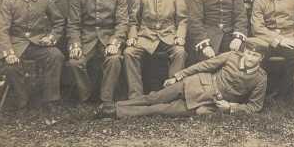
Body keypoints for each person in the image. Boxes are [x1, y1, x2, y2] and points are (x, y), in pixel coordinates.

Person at [96, 37, 269, 119]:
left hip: (207, 103)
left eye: (255, 55)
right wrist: (178, 76)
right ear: (244, 51)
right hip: (194, 83)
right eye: (248, 53)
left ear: (261, 59)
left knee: (160, 109)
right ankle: (111, 105)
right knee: (154, 97)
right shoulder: (232, 56)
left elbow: (255, 106)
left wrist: (231, 106)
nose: (250, 57)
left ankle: (113, 112)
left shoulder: (260, 78)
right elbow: (204, 66)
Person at [0, 0, 65, 124]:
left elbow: (59, 21)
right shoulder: (9, 2)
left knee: (56, 55)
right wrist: (8, 53)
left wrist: (51, 37)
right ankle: (22, 103)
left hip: (38, 43)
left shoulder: (44, 0)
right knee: (11, 67)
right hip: (16, 45)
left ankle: (50, 101)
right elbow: (0, 30)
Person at [123, 0, 188, 99]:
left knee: (179, 52)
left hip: (168, 36)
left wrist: (180, 36)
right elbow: (133, 20)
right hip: (146, 36)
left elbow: (182, 20)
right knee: (129, 53)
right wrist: (133, 36)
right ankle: (136, 96)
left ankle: (170, 93)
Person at [66, 0, 129, 106]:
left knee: (114, 59)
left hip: (109, 37)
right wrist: (75, 45)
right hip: (86, 39)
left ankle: (106, 98)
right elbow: (73, 25)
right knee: (75, 62)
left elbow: (122, 23)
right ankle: (86, 96)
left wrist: (115, 43)